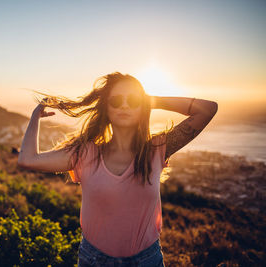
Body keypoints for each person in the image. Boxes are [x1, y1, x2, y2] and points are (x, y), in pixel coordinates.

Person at [17, 72, 218, 266]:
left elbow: (208, 109)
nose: (124, 105)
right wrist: (35, 117)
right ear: (107, 108)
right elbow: (28, 160)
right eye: (115, 101)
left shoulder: (157, 149)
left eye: (132, 101)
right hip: (94, 260)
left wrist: (152, 101)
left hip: (146, 261)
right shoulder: (85, 154)